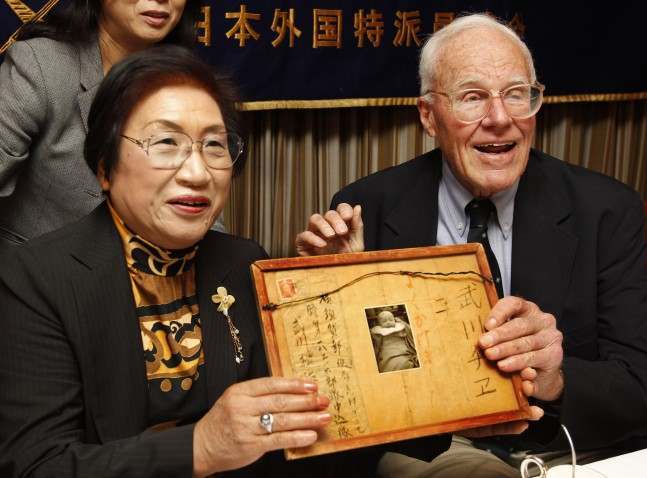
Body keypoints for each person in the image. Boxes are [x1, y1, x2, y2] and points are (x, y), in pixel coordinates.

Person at [0, 46, 447, 478]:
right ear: (104, 166)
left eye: (214, 146)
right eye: (166, 142)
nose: (197, 172)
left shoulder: (242, 263)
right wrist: (200, 448)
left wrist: (337, 292)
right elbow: (40, 465)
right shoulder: (36, 279)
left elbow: (315, 447)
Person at [296, 13, 647, 477]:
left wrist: (556, 381)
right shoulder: (366, 208)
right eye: (473, 97)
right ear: (429, 116)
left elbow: (640, 384)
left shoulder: (606, 209)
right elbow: (343, 398)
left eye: (517, 94)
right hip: (432, 451)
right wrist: (341, 294)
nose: (500, 119)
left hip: (569, 450)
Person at [0, 0, 224, 252]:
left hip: (146, 281)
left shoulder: (189, 86)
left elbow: (203, 210)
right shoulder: (43, 66)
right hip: (35, 278)